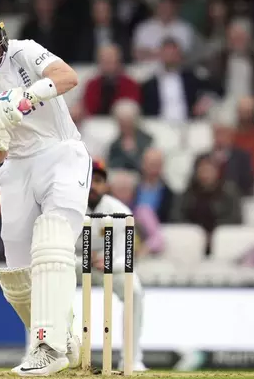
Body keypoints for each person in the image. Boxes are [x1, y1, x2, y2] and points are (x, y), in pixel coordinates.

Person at [0, 6, 90, 376]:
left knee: (53, 239)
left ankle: (49, 348)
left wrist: (23, 100)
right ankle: (60, 341)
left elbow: (68, 77)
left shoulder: (25, 51)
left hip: (61, 152)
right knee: (17, 274)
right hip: (17, 167)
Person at [78, 159, 147, 371]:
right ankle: (47, 351)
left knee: (134, 291)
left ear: (106, 185)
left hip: (105, 267)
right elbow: (58, 248)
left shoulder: (120, 211)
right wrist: (81, 260)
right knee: (46, 280)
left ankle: (131, 358)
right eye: (89, 180)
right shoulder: (68, 207)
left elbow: (125, 256)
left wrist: (107, 261)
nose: (93, 186)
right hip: (74, 265)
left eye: (98, 180)